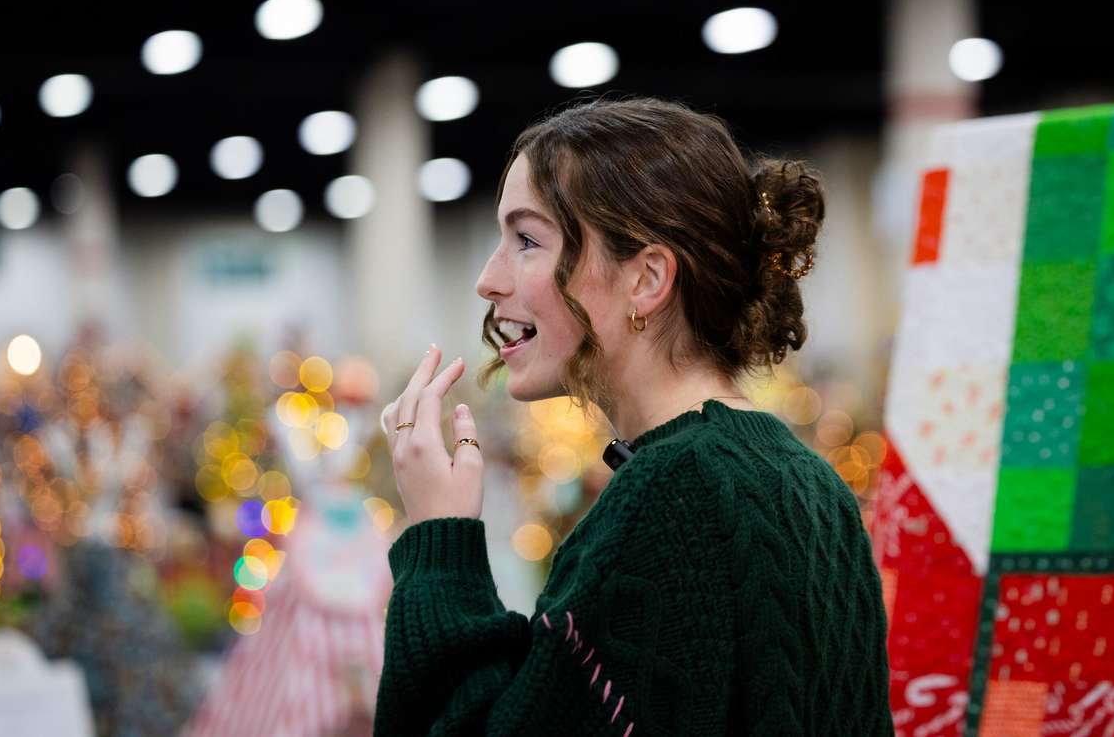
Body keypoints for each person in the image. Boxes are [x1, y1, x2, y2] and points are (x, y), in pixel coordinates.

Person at [374, 97, 893, 735]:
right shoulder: (815, 486)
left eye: (527, 240)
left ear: (646, 279)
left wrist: (440, 539)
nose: (488, 279)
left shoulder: (675, 492)